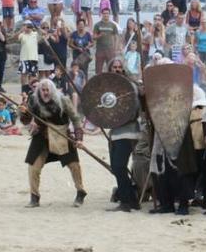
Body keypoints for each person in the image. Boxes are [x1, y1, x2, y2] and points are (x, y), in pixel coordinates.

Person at [19, 79, 86, 208]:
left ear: (52, 90)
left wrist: (78, 138)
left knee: (74, 165)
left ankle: (80, 191)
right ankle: (34, 197)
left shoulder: (63, 100)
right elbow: (26, 120)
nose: (45, 93)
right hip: (42, 137)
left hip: (61, 136)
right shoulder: (33, 100)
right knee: (33, 167)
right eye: (42, 90)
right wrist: (24, 113)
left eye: (47, 90)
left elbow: (76, 119)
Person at [101, 59, 142, 212]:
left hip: (128, 131)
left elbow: (132, 108)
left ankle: (126, 201)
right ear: (110, 69)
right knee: (117, 167)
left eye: (119, 67)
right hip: (116, 133)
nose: (117, 70)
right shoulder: (107, 88)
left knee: (118, 167)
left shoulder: (129, 86)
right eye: (114, 67)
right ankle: (132, 201)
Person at [93, 8, 120, 75]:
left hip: (110, 49)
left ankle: (110, 83)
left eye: (107, 13)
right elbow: (93, 37)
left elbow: (116, 37)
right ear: (102, 14)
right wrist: (99, 35)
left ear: (109, 14)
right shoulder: (97, 25)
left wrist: (115, 48)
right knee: (98, 69)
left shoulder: (113, 25)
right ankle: (98, 83)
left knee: (111, 68)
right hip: (100, 49)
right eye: (104, 13)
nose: (106, 15)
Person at [18, 22, 39, 91]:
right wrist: (22, 30)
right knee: (24, 75)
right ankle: (24, 90)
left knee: (33, 75)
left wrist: (36, 27)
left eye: (29, 26)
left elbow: (44, 34)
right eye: (27, 26)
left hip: (33, 58)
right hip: (24, 58)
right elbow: (17, 38)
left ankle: (32, 89)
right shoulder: (22, 34)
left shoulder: (35, 34)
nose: (28, 28)